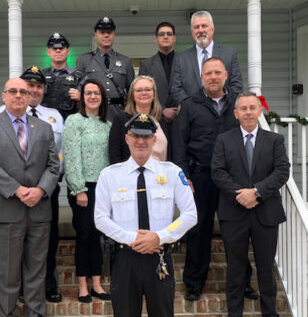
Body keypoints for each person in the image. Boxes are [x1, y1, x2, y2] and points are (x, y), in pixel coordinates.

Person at [94, 113, 198, 317]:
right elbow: (100, 218)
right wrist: (134, 239)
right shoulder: (110, 175)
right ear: (127, 138)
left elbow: (190, 214)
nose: (140, 141)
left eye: (146, 136)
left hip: (159, 257)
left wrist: (159, 237)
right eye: (135, 136)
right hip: (125, 259)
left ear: (154, 139)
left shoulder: (172, 172)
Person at [172, 57, 256, 301]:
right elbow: (179, 144)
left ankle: (243, 283)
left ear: (226, 75)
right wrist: (185, 177)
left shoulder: (238, 104)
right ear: (202, 76)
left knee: (237, 232)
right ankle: (194, 283)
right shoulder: (189, 105)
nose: (213, 77)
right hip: (201, 175)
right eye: (208, 73)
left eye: (217, 72)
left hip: (233, 178)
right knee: (198, 231)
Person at [0, 77, 60, 317]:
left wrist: (41, 190)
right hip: (6, 209)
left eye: (23, 91)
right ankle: (7, 313)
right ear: (4, 96)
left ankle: (36, 313)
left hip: (38, 210)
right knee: (7, 272)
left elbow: (53, 166)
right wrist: (17, 189)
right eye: (13, 91)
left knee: (36, 270)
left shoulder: (43, 128)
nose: (19, 95)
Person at [211, 93, 290, 317]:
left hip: (266, 211)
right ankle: (234, 313)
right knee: (235, 269)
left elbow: (282, 170)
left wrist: (256, 193)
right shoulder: (224, 140)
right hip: (233, 212)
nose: (248, 112)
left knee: (266, 267)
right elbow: (218, 171)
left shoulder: (275, 140)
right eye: (243, 109)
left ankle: (269, 313)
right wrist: (241, 195)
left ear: (259, 111)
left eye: (252, 108)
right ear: (236, 114)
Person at [0, 67, 65, 303]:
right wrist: (16, 188)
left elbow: (59, 155)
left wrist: (45, 187)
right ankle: (20, 291)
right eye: (29, 86)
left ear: (43, 90)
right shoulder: (0, 114)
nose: (33, 91)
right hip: (11, 194)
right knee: (15, 247)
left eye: (38, 87)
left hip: (46, 190)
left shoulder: (53, 116)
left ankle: (49, 284)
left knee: (48, 240)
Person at [62, 79, 112, 303]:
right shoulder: (74, 121)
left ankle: (97, 284)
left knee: (97, 235)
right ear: (82, 97)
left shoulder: (107, 124)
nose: (93, 97)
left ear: (102, 97)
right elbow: (71, 156)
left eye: (97, 93)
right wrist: (78, 188)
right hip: (82, 187)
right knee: (84, 235)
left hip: (102, 188)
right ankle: (82, 285)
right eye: (88, 93)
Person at [170, 10, 243, 107]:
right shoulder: (181, 58)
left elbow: (237, 86)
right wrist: (192, 107)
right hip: (193, 116)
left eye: (204, 26)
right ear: (192, 31)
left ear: (212, 29)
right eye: (196, 27)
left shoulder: (229, 54)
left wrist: (220, 106)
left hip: (223, 115)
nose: (200, 30)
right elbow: (176, 89)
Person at [76, 16, 135, 112]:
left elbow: (132, 92)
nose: (106, 35)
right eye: (102, 32)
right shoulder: (84, 60)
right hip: (93, 113)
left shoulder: (125, 61)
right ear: (95, 35)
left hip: (118, 113)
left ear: (114, 35)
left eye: (109, 32)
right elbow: (78, 91)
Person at [108, 75, 171, 164]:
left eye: (148, 89)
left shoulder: (163, 120)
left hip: (160, 176)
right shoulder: (121, 120)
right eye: (139, 90)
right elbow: (115, 155)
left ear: (154, 95)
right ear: (132, 95)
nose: (144, 93)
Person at [139, 22, 179, 122]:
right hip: (155, 117)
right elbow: (142, 92)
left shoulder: (185, 61)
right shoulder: (146, 65)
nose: (165, 37)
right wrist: (162, 110)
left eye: (169, 34)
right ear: (156, 39)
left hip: (182, 117)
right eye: (161, 34)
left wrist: (180, 108)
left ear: (174, 38)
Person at [41, 32, 84, 120]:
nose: (58, 50)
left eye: (61, 48)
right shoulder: (40, 75)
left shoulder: (80, 77)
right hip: (44, 124)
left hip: (71, 125)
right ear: (48, 52)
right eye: (54, 48)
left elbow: (93, 101)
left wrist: (81, 98)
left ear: (68, 52)